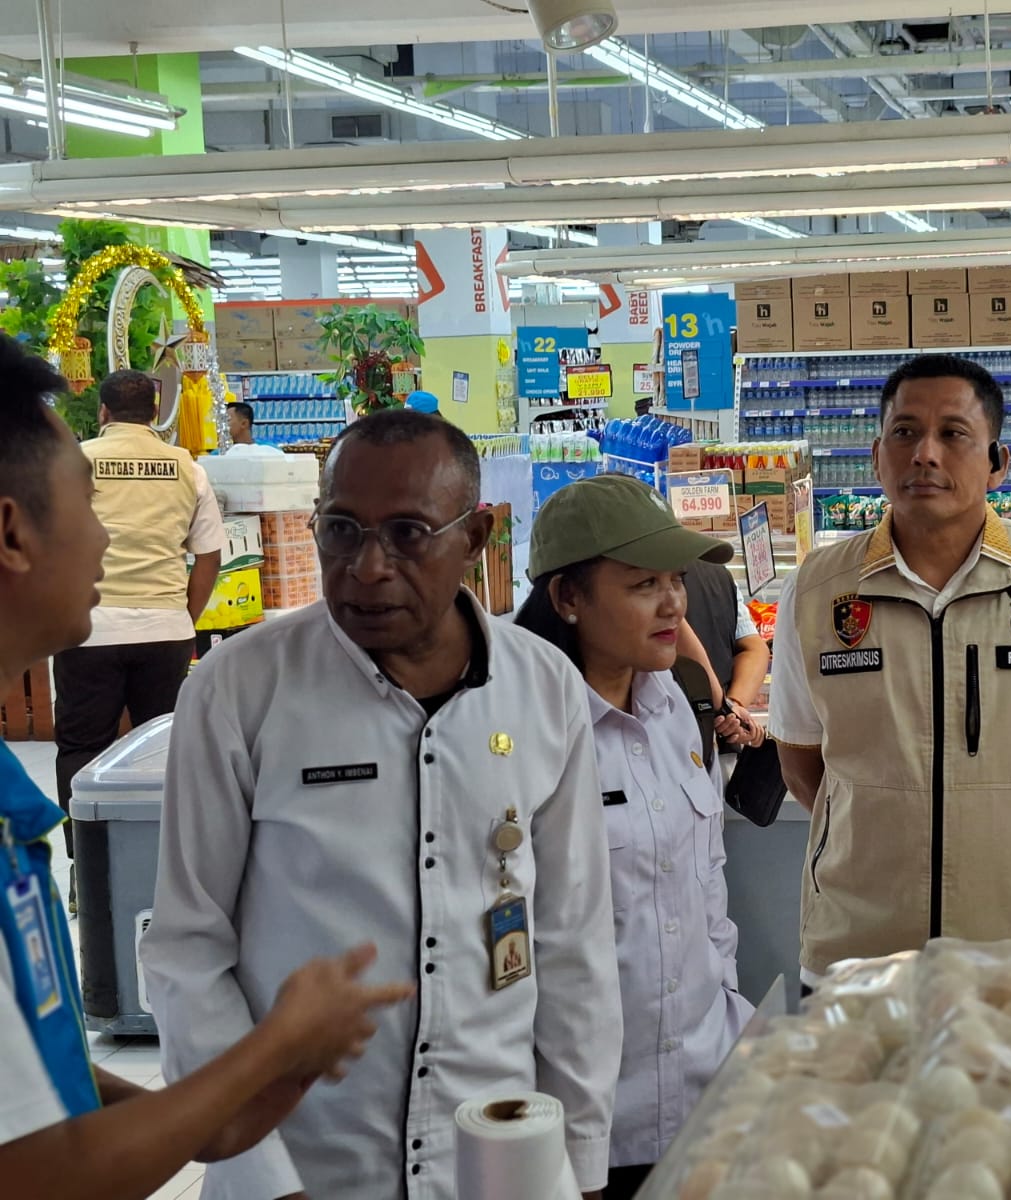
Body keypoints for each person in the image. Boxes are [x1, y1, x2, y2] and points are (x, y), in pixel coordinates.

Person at [142, 409, 623, 1200]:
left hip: (495, 1162)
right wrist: (265, 1178)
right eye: (341, 530)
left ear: (476, 537)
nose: (367, 567)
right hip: (309, 1164)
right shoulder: (242, 688)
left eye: (408, 533)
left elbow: (574, 942)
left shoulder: (543, 688)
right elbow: (188, 948)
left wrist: (582, 1161)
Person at [0, 333, 412, 1199]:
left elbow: (44, 1089)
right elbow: (43, 1171)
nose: (105, 535)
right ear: (12, 532)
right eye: (85, 505)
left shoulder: (12, 808)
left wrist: (238, 1101)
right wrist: (275, 1046)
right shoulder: (239, 677)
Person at [768, 354, 1011, 983]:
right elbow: (802, 763)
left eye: (954, 433)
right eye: (905, 432)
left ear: (997, 462)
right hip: (857, 948)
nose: (925, 454)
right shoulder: (817, 590)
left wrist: (1010, 816)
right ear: (876, 456)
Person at [515, 475, 755, 1199]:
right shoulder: (524, 734)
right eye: (644, 584)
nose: (674, 603)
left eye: (675, 580)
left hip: (703, 1094)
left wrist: (730, 1014)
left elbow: (707, 890)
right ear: (568, 597)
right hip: (588, 1122)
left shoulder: (673, 707)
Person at [53, 368, 223, 910]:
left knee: (82, 747)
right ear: (155, 413)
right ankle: (164, 867)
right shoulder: (188, 468)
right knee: (164, 752)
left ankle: (86, 871)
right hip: (165, 629)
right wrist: (183, 617)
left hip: (89, 627)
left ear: (102, 412)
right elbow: (209, 555)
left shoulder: (74, 462)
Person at [682, 557, 771, 755]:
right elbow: (755, 648)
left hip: (671, 736)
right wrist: (732, 706)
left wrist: (730, 708)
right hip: (718, 740)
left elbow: (755, 648)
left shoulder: (645, 570)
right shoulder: (719, 574)